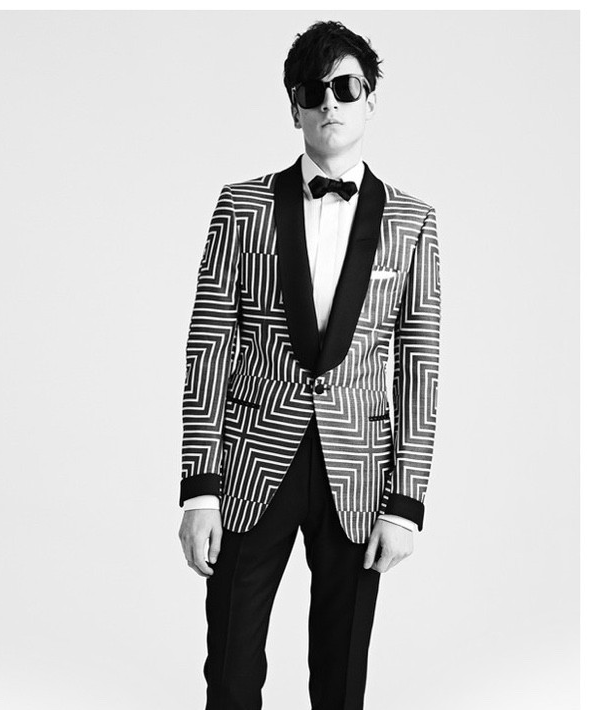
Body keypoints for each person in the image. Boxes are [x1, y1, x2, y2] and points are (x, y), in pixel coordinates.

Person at [178, 19, 441, 710]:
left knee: (341, 676)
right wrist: (199, 492)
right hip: (249, 464)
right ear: (294, 106)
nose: (330, 103)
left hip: (359, 475)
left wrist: (406, 505)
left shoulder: (412, 222)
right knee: (230, 670)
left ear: (370, 100)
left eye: (345, 88)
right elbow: (208, 346)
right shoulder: (240, 207)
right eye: (313, 90)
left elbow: (419, 366)